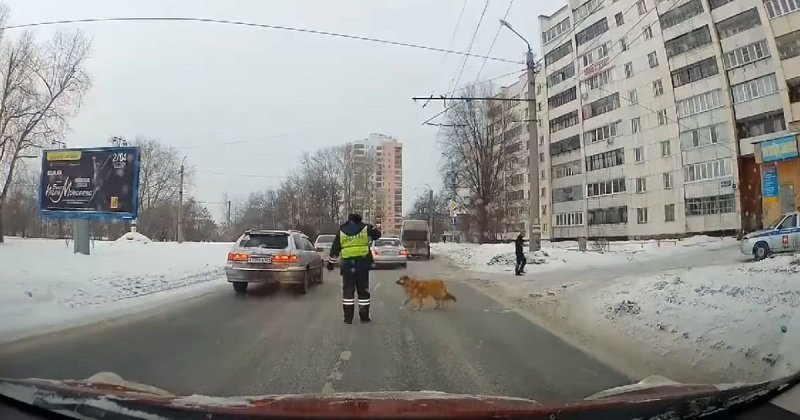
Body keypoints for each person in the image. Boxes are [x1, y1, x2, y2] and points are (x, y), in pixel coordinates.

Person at [327, 213, 382, 324]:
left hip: (348, 265)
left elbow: (334, 249)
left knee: (348, 291)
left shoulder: (342, 230)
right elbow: (377, 235)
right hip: (362, 264)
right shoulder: (365, 228)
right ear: (359, 220)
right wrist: (372, 227)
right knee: (363, 291)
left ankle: (348, 318)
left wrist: (330, 264)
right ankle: (364, 317)